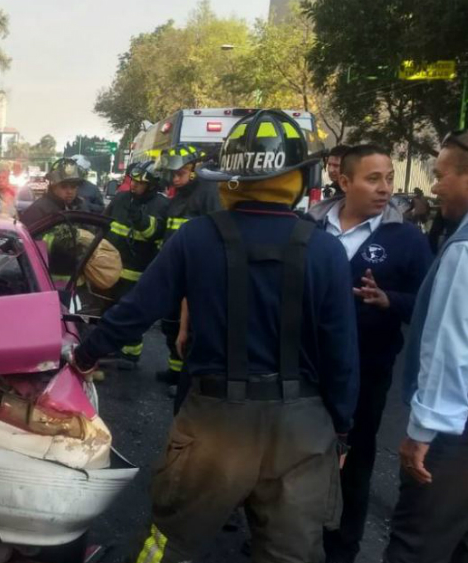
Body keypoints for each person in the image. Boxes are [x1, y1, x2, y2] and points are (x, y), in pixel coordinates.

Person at [71, 110, 358, 563]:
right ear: (299, 177)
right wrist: (340, 429)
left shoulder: (197, 238)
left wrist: (85, 354)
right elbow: (342, 353)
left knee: (169, 546)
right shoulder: (324, 249)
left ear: (230, 177)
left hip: (214, 425)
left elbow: (137, 308)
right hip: (303, 430)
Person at [306, 144, 432, 563]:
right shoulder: (310, 228)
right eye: (373, 179)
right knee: (296, 459)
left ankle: (341, 549)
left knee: (353, 465)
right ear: (344, 182)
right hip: (304, 372)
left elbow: (427, 306)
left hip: (367, 375)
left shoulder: (406, 238)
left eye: (390, 178)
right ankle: (286, 537)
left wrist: (388, 300)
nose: (385, 189)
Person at [383, 130, 468, 563]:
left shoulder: (464, 247)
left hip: (451, 436)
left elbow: (451, 347)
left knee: (417, 545)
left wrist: (421, 431)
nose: (433, 187)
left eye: (441, 175)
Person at [155, 143, 221, 389]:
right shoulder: (181, 194)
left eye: (180, 173)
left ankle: (188, 381)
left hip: (196, 272)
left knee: (192, 328)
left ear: (193, 169)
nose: (174, 179)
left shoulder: (208, 192)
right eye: (172, 174)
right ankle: (175, 371)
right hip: (176, 270)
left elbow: (216, 231)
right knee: (171, 324)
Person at [102, 161, 168, 364]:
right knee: (108, 309)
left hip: (137, 271)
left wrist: (140, 219)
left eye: (140, 183)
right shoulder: (121, 198)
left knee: (130, 312)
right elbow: (104, 224)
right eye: (133, 181)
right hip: (111, 266)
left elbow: (154, 234)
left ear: (152, 185)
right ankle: (111, 347)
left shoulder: (161, 205)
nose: (134, 185)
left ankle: (130, 354)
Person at [19, 157, 88, 228]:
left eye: (73, 187)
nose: (69, 191)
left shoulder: (81, 206)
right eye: (64, 187)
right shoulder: (39, 209)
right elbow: (25, 236)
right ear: (53, 187)